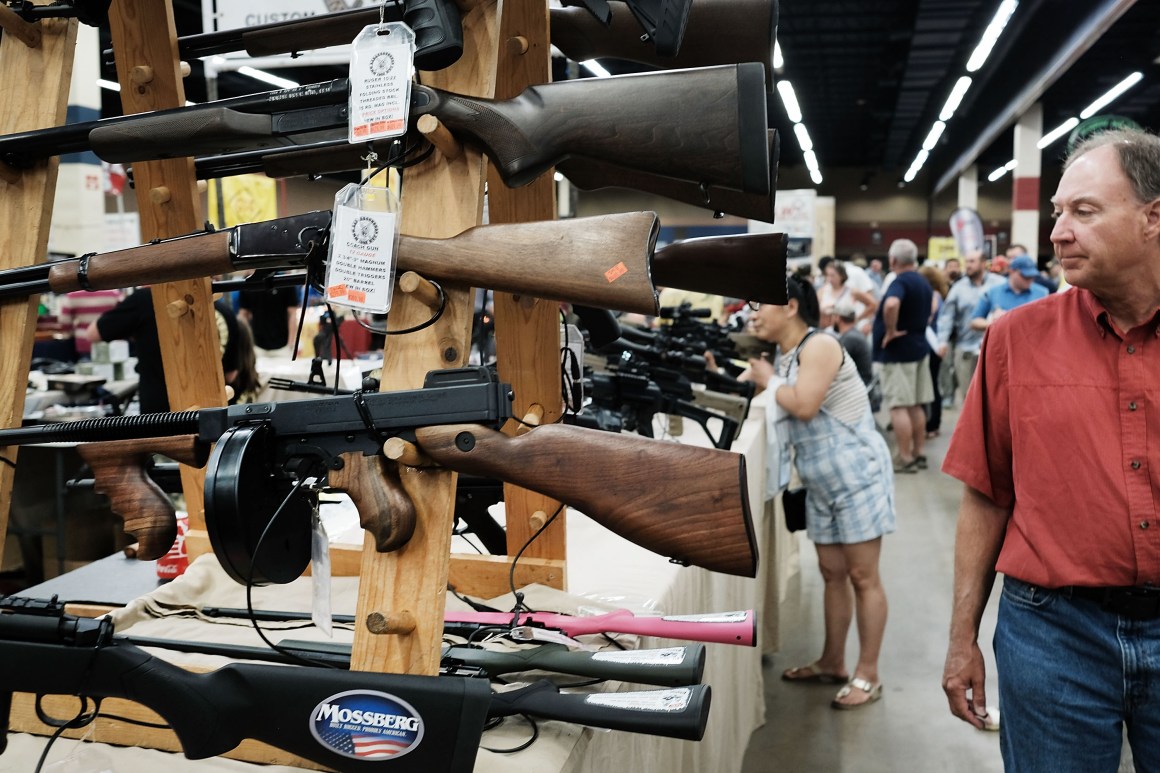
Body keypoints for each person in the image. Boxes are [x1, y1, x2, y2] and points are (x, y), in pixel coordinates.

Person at [941, 127, 1160, 769]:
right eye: (1058, 211)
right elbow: (986, 494)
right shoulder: (1015, 339)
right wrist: (962, 639)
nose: (1058, 231)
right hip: (1053, 635)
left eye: (1084, 212)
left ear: (1153, 217)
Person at [744, 276, 894, 710]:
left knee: (864, 577)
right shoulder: (786, 355)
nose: (754, 314)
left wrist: (770, 380)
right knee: (832, 572)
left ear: (790, 306)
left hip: (856, 476)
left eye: (761, 304)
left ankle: (869, 674)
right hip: (818, 480)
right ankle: (833, 661)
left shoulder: (820, 346)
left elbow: (804, 403)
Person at [86, 288, 240, 413]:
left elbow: (92, 333)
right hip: (213, 414)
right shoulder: (223, 310)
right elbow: (231, 375)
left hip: (159, 417)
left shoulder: (143, 300)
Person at [871, 239, 933, 473]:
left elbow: (891, 304)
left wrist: (890, 331)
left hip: (898, 353)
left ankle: (904, 457)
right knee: (916, 405)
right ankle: (919, 452)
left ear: (893, 260)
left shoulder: (900, 282)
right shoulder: (923, 282)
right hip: (918, 348)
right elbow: (933, 309)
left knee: (898, 407)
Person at [935, 250, 1004, 405]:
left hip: (995, 348)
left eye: (972, 261)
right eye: (966, 262)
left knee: (994, 396)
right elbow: (947, 316)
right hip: (965, 348)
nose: (968, 266)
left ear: (982, 263)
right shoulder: (958, 288)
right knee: (970, 397)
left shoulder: (999, 284)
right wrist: (942, 341)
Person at [969, 254, 1049, 331]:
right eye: (1025, 276)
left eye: (1032, 276)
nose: (1029, 280)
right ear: (1011, 271)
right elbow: (974, 321)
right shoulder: (993, 292)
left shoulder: (1042, 293)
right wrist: (993, 323)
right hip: (1002, 343)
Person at [56, 289, 123, 359]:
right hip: (112, 343)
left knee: (87, 368)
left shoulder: (72, 295)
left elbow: (64, 321)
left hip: (85, 342)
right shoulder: (114, 293)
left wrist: (73, 331)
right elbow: (122, 318)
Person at [237, 285, 301, 355]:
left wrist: (290, 344)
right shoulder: (248, 284)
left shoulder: (285, 281)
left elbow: (292, 314)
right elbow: (243, 315)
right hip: (257, 345)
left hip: (282, 345)